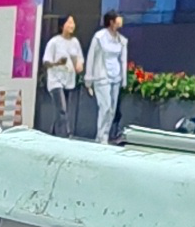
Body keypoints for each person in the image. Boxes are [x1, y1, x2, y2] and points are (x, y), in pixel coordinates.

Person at [88, 9, 134, 143]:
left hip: (116, 77)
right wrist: (88, 79)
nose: (121, 21)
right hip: (102, 76)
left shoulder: (121, 40)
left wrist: (123, 79)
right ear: (111, 21)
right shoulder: (99, 37)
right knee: (105, 106)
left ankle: (105, 135)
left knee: (112, 109)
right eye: (118, 18)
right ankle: (100, 136)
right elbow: (91, 57)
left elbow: (123, 60)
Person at [41, 13, 85, 137]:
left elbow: (79, 58)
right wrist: (57, 63)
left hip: (69, 81)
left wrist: (79, 65)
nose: (72, 25)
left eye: (73, 23)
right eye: (69, 22)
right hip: (55, 81)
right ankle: (64, 134)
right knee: (62, 109)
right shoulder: (54, 42)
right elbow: (46, 62)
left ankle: (53, 134)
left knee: (61, 111)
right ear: (62, 26)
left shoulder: (75, 42)